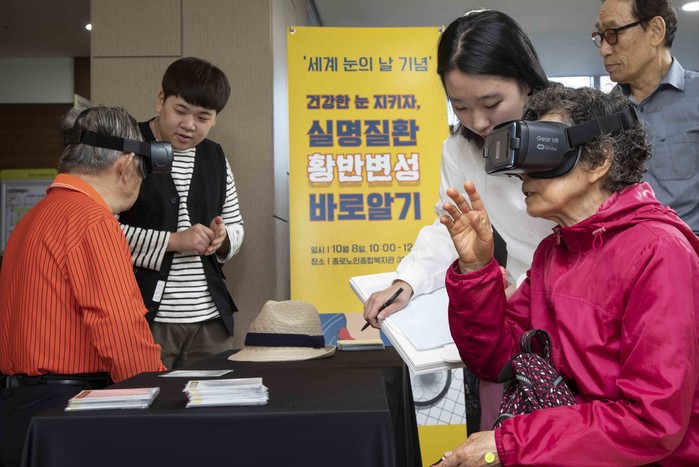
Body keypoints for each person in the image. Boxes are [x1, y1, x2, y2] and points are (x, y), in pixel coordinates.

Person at [436, 85, 699, 466]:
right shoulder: (555, 251)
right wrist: (476, 270)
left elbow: (651, 422)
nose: (523, 174)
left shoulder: (659, 252)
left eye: (542, 152)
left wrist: (510, 444)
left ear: (600, 160)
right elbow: (498, 360)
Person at [362, 9, 556, 431]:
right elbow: (451, 227)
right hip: (519, 316)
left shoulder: (570, 133)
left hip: (575, 307)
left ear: (526, 81)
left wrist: (527, 291)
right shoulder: (461, 148)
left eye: (491, 104)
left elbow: (591, 237)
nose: (479, 122)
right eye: (461, 106)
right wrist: (408, 280)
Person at [0, 106, 167, 467]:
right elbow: (120, 328)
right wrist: (159, 398)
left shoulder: (35, 218)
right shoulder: (92, 220)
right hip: (67, 410)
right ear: (126, 165)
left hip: (18, 409)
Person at [118, 57, 244, 369]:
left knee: (215, 396)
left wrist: (223, 238)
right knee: (149, 397)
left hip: (211, 321)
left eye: (203, 117)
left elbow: (236, 225)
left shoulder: (215, 155)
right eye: (180, 111)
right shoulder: (128, 149)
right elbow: (102, 232)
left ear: (215, 119)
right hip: (146, 318)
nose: (189, 125)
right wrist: (174, 241)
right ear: (161, 100)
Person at [594, 0, 699, 234]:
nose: (604, 49)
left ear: (655, 31)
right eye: (600, 37)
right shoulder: (602, 114)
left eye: (613, 33)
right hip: (621, 248)